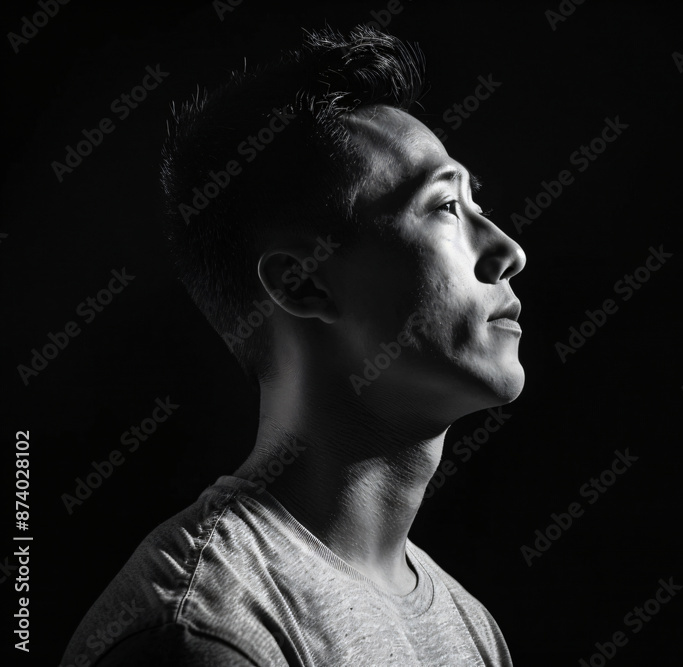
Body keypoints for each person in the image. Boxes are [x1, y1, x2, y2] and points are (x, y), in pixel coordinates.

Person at [60, 25, 525, 667]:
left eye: (478, 204)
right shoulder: (206, 630)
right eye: (446, 206)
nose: (508, 251)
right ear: (303, 283)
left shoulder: (469, 626)